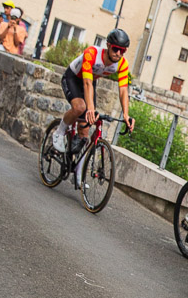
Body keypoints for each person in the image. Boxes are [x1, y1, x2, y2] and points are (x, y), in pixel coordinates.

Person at [51, 30, 135, 183]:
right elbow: (86, 82)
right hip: (74, 78)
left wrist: (126, 115)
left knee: (85, 130)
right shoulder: (92, 53)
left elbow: (123, 90)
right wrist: (90, 108)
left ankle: (78, 169)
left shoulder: (122, 64)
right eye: (116, 49)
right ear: (108, 45)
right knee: (80, 108)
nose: (118, 53)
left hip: (90, 82)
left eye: (122, 50)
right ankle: (60, 131)